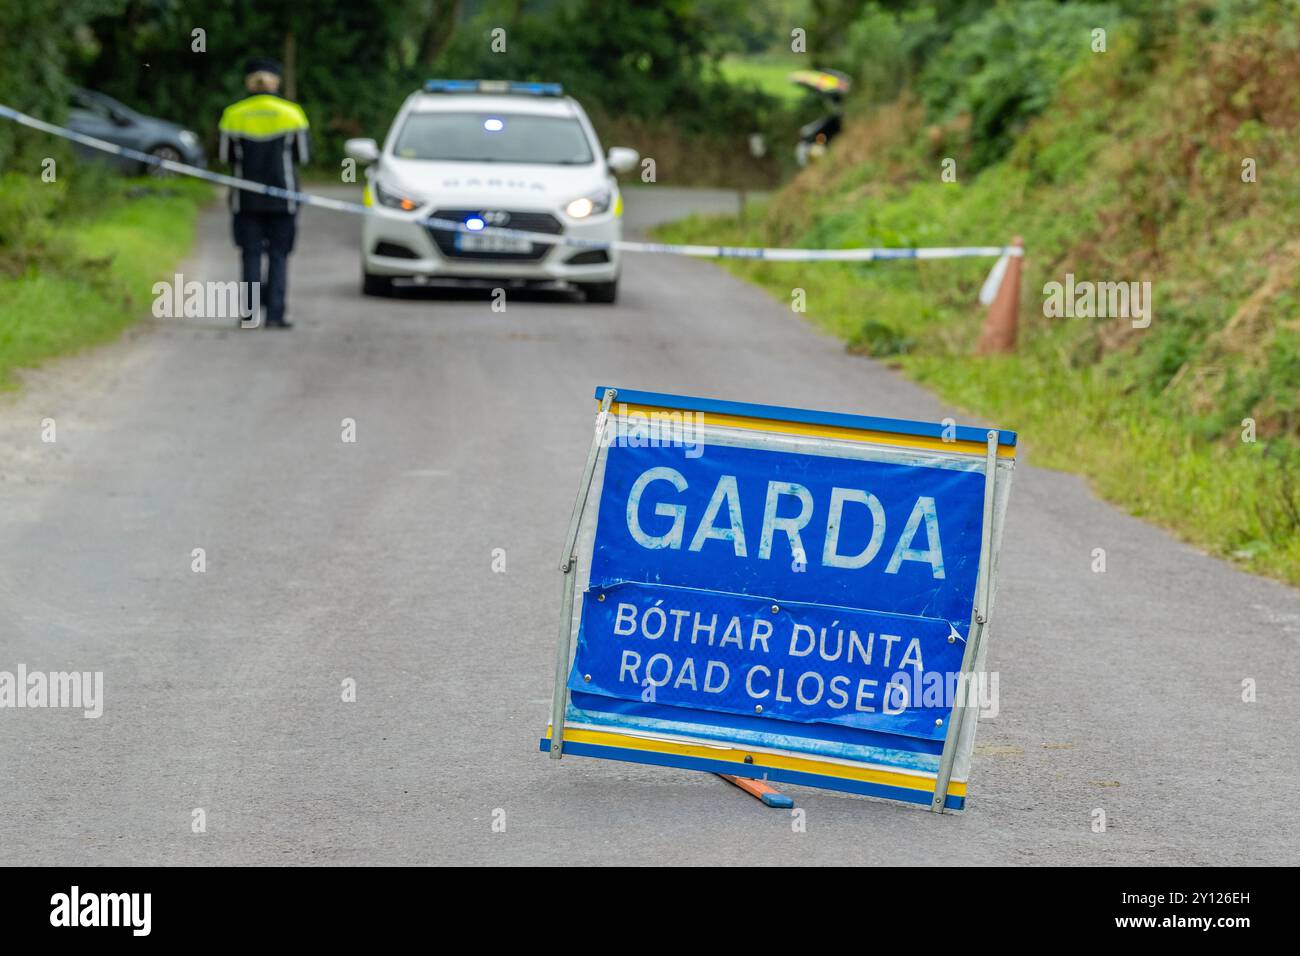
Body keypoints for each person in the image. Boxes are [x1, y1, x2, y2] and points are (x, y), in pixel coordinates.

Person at [218, 57, 310, 329]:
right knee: (279, 256)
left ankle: (249, 315)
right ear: (276, 81)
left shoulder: (233, 114)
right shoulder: (293, 114)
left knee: (250, 254)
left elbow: (225, 156)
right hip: (284, 200)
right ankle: (276, 315)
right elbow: (303, 156)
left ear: (249, 81)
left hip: (245, 200)